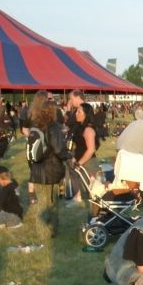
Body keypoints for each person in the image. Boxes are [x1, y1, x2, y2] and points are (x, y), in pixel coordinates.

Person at [29, 94, 71, 237]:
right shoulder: (53, 127)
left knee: (41, 203)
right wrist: (69, 156)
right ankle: (51, 231)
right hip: (51, 171)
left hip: (36, 170)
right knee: (51, 203)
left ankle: (42, 233)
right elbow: (59, 149)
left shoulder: (35, 126)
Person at [67, 102, 98, 206]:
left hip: (89, 163)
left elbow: (91, 150)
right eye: (76, 111)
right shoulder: (80, 126)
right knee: (77, 180)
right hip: (80, 160)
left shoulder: (88, 129)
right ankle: (77, 197)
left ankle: (93, 208)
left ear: (86, 114)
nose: (76, 113)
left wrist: (79, 163)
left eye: (79, 112)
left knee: (92, 191)